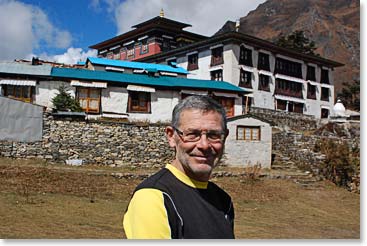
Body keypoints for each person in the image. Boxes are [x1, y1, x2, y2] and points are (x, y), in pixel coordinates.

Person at [123, 95, 235, 239]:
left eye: (213, 135)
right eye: (192, 134)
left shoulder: (223, 201)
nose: (204, 145)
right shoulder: (154, 198)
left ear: (224, 137)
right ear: (171, 137)